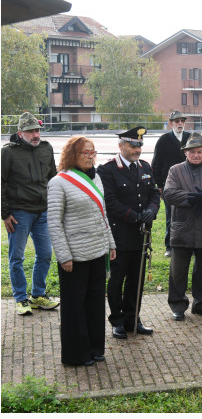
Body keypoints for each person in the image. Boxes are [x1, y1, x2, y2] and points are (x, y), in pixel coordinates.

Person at [47, 136, 117, 366]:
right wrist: (64, 256)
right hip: (74, 256)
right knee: (75, 305)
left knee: (96, 301)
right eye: (84, 152)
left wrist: (111, 244)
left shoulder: (96, 178)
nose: (89, 156)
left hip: (98, 251)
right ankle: (77, 355)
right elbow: (54, 223)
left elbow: (103, 214)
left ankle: (96, 348)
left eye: (92, 152)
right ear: (72, 154)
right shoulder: (59, 182)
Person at [97, 127, 161, 339]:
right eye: (133, 145)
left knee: (137, 279)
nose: (137, 149)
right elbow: (110, 202)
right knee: (117, 280)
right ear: (121, 145)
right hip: (120, 235)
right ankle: (117, 321)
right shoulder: (107, 169)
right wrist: (135, 216)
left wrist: (152, 209)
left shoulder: (144, 166)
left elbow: (154, 193)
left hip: (141, 235)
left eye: (140, 145)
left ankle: (133, 319)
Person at [163, 132, 202, 321]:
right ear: (185, 152)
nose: (196, 155)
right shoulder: (175, 171)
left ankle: (201, 304)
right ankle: (177, 305)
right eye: (192, 152)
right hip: (182, 229)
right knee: (178, 271)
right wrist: (191, 198)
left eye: (199, 152)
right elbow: (169, 194)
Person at [1, 112, 59, 316]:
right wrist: (5, 213)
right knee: (16, 257)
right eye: (30, 131)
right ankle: (20, 298)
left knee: (45, 254)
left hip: (43, 211)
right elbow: (2, 182)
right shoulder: (8, 152)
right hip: (19, 212)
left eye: (37, 130)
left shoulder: (46, 148)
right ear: (20, 133)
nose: (35, 134)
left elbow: (53, 177)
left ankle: (38, 295)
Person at [152, 110, 192, 257]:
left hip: (189, 184)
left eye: (182, 121)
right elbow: (156, 163)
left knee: (189, 214)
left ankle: (187, 244)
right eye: (177, 121)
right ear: (171, 123)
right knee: (171, 216)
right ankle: (170, 246)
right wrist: (159, 185)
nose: (180, 123)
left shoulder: (190, 138)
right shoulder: (163, 140)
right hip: (170, 185)